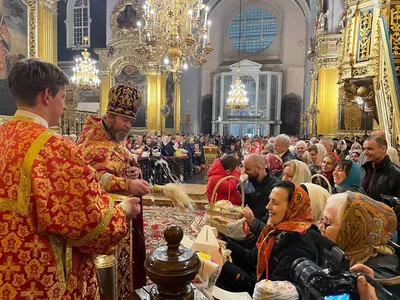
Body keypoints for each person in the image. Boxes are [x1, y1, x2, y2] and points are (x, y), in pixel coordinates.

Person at [0, 58, 141, 298]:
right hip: (44, 278)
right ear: (47, 96)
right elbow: (91, 225)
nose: (64, 105)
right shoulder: (53, 148)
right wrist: (123, 210)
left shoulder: (3, 135)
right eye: (63, 98)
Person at [76, 84, 151, 293]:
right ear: (109, 116)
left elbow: (123, 164)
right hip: (106, 217)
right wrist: (128, 184)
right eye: (125, 120)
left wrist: (135, 172)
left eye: (131, 121)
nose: (128, 126)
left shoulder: (112, 137)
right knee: (111, 275)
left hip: (125, 214)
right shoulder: (92, 141)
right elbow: (93, 176)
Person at [217, 182, 318, 295]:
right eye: (270, 200)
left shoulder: (298, 245)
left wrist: (222, 264)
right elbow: (251, 257)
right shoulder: (278, 230)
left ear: (292, 207)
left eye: (275, 203)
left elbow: (267, 293)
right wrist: (223, 242)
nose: (267, 206)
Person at [320, 192, 400, 298]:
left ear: (354, 230)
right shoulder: (346, 251)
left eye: (327, 223)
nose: (320, 227)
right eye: (321, 219)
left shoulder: (379, 279)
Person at [241, 154, 279, 220]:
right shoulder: (244, 185)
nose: (244, 172)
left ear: (258, 168)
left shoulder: (276, 187)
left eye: (247, 169)